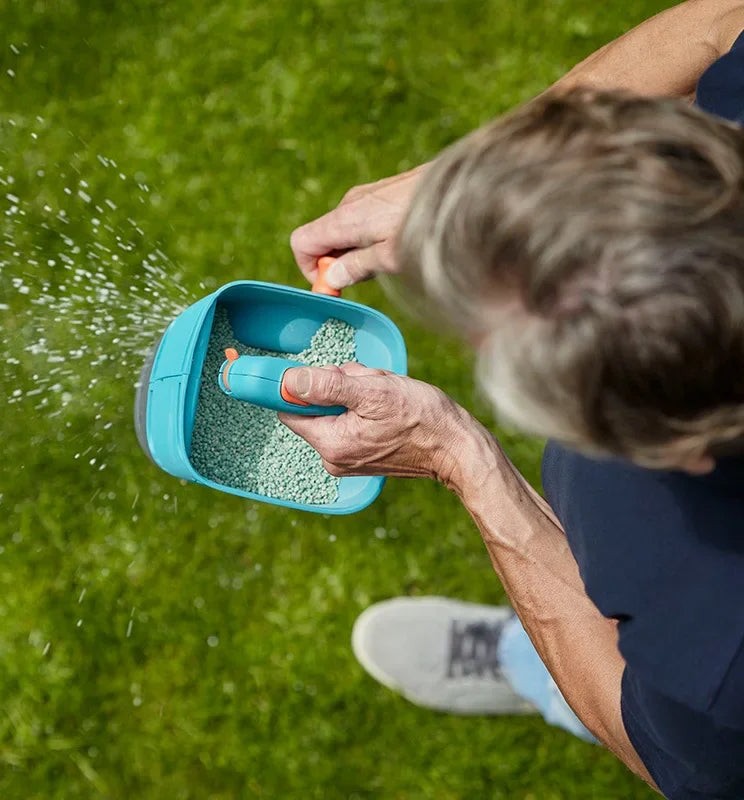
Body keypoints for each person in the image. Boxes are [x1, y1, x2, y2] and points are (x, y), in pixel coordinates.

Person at [278, 2, 744, 798]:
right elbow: (722, 24)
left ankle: (536, 666)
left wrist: (463, 459)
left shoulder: (714, 650)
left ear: (680, 450)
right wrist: (480, 182)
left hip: (666, 684)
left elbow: (661, 754)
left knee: (621, 679)